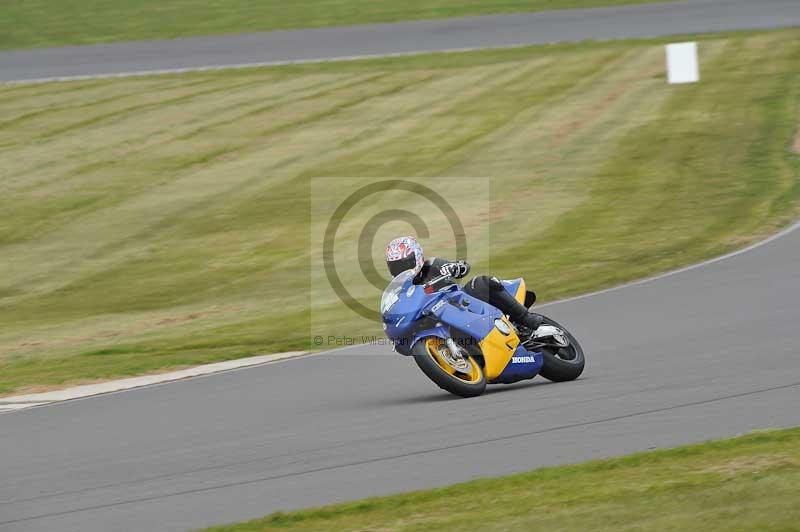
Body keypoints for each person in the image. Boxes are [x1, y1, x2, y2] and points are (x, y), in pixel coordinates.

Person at [385, 236, 544, 333]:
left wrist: (455, 267)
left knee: (480, 282)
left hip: (463, 304)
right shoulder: (400, 289)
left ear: (416, 257)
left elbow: (463, 268)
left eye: (404, 263)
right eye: (396, 266)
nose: (401, 269)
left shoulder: (432, 265)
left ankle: (526, 319)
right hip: (438, 321)